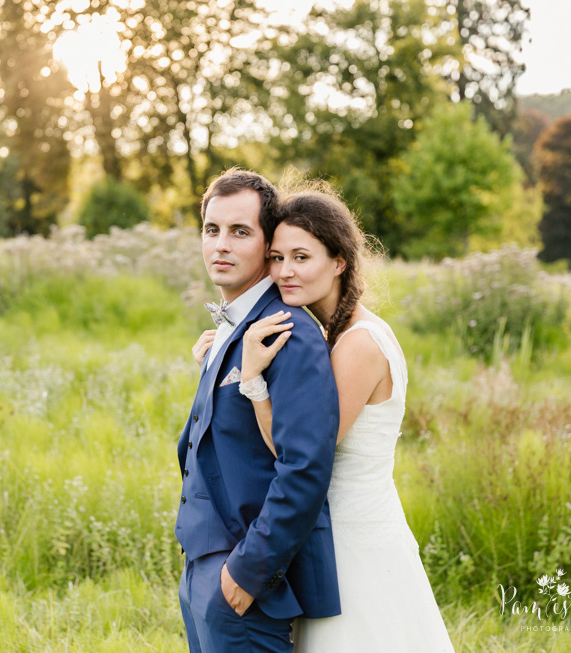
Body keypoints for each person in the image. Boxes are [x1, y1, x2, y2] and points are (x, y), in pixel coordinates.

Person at [235, 187, 454, 652]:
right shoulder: (325, 334)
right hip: (330, 531)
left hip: (354, 543)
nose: (285, 271)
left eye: (301, 256)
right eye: (276, 257)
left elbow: (299, 453)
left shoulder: (358, 345)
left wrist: (252, 382)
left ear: (339, 262)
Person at [176, 169, 341, 653]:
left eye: (240, 232)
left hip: (244, 581)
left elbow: (305, 467)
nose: (221, 245)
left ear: (268, 243)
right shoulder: (234, 326)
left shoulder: (290, 334)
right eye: (212, 230)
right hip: (202, 566)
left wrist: (246, 574)